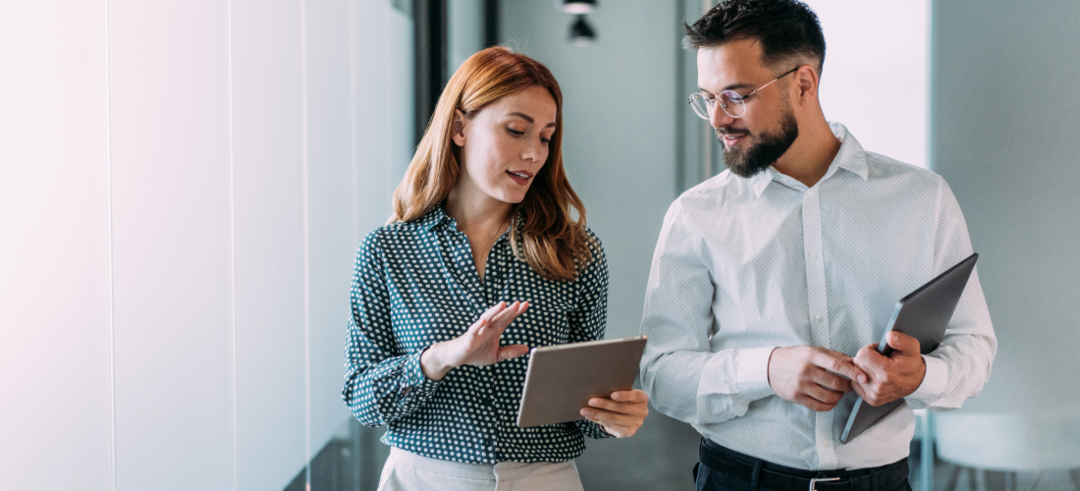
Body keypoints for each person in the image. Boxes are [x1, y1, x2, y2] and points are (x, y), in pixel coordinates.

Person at [638, 1, 996, 490]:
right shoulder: (695, 215)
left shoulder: (922, 198)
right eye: (707, 98)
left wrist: (919, 377)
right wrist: (765, 369)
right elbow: (661, 374)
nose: (717, 118)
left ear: (803, 84)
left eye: (736, 96)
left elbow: (973, 346)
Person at [342, 46, 649, 491]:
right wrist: (440, 358)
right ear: (459, 128)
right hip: (422, 479)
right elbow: (362, 399)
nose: (534, 154)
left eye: (545, 136)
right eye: (516, 130)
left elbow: (585, 411)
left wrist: (615, 416)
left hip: (544, 480)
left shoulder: (575, 253)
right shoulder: (388, 251)